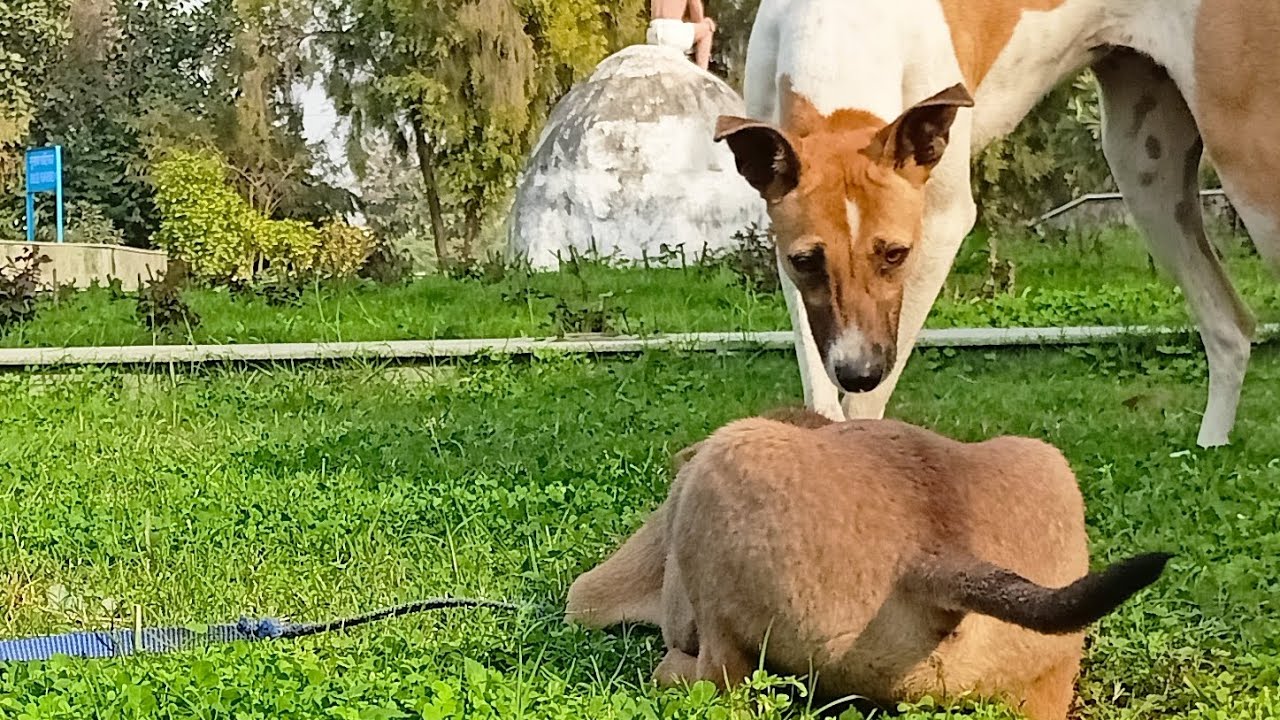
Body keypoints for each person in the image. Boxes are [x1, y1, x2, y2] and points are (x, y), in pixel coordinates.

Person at [647, 0, 716, 71]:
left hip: (653, 33)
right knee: (707, 29)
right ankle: (702, 75)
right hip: (671, 33)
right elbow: (697, 18)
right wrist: (704, 21)